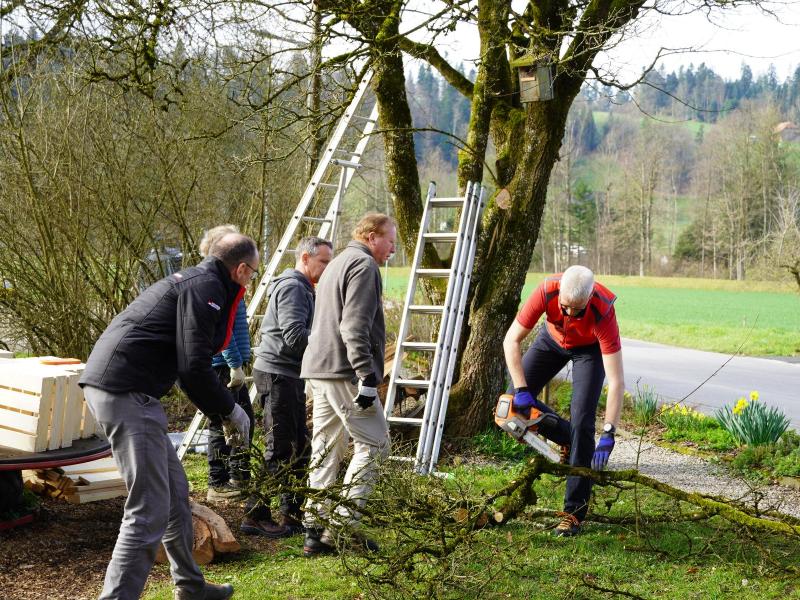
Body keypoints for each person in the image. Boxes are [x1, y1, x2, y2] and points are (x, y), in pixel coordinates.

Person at [79, 232, 259, 600]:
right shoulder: (205, 287)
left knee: (176, 494)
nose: (252, 280)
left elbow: (186, 364)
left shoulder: (199, 281)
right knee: (148, 510)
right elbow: (193, 366)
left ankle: (191, 587)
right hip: (126, 391)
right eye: (253, 273)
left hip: (125, 388)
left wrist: (219, 407)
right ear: (240, 269)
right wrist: (229, 409)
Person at [502, 265, 624, 538]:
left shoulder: (603, 311)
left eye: (577, 310)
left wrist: (608, 433)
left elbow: (616, 381)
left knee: (583, 422)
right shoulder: (546, 290)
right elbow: (511, 340)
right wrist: (522, 388)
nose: (570, 313)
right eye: (565, 307)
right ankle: (572, 439)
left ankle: (573, 513)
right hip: (551, 341)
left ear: (589, 299)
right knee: (509, 405)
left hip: (588, 351)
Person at [301, 213, 396, 557]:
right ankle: (341, 527)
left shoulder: (339, 261)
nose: (393, 247)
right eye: (389, 240)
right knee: (375, 445)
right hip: (343, 370)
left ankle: (314, 527)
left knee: (326, 445)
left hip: (319, 367)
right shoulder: (363, 265)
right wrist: (367, 378)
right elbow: (353, 327)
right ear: (372, 236)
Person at [241, 236, 333, 538]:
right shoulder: (293, 287)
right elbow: (294, 336)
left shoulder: (306, 288)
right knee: (279, 446)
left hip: (290, 374)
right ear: (305, 258)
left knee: (300, 447)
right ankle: (255, 515)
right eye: (323, 261)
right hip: (277, 373)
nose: (327, 267)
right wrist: (331, 339)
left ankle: (292, 513)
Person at [198, 226, 256, 502]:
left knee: (237, 420)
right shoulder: (222, 286)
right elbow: (226, 330)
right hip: (222, 363)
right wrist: (235, 363)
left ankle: (236, 477)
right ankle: (221, 482)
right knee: (225, 421)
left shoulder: (227, 284)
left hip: (226, 361)